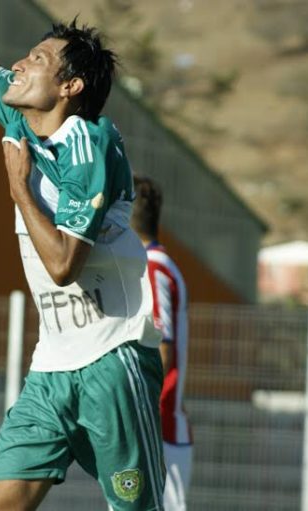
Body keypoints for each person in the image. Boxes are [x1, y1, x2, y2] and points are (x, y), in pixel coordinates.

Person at [0, 1, 165, 509]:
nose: (18, 64)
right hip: (53, 364)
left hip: (113, 358)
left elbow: (63, 267)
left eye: (37, 58)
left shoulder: (88, 144)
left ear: (70, 87)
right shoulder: (20, 119)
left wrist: (19, 189)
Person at [132, 177, 193, 511]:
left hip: (159, 427)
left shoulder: (152, 268)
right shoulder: (158, 264)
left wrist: (134, 411)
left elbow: (162, 349)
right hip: (160, 427)